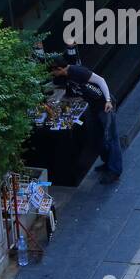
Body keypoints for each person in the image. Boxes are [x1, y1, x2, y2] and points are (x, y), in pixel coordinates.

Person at [48, 55, 122, 184]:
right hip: (94, 107)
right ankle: (107, 163)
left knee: (111, 138)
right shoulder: (65, 76)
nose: (52, 74)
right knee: (98, 137)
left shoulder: (78, 71)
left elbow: (101, 81)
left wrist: (108, 101)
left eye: (53, 71)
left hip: (104, 106)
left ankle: (115, 170)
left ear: (60, 69)